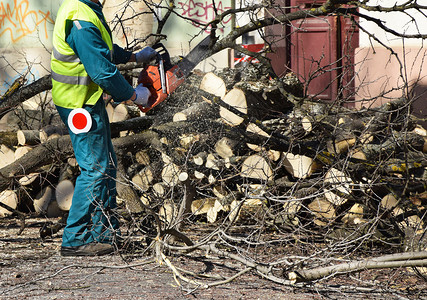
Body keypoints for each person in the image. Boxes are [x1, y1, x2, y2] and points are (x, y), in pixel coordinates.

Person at [51, 0, 156, 256]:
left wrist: (133, 57)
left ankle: (105, 234)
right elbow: (100, 71)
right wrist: (133, 95)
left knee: (106, 166)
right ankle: (75, 239)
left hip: (88, 99)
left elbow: (101, 49)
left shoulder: (88, 9)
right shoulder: (80, 17)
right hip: (78, 104)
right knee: (95, 169)